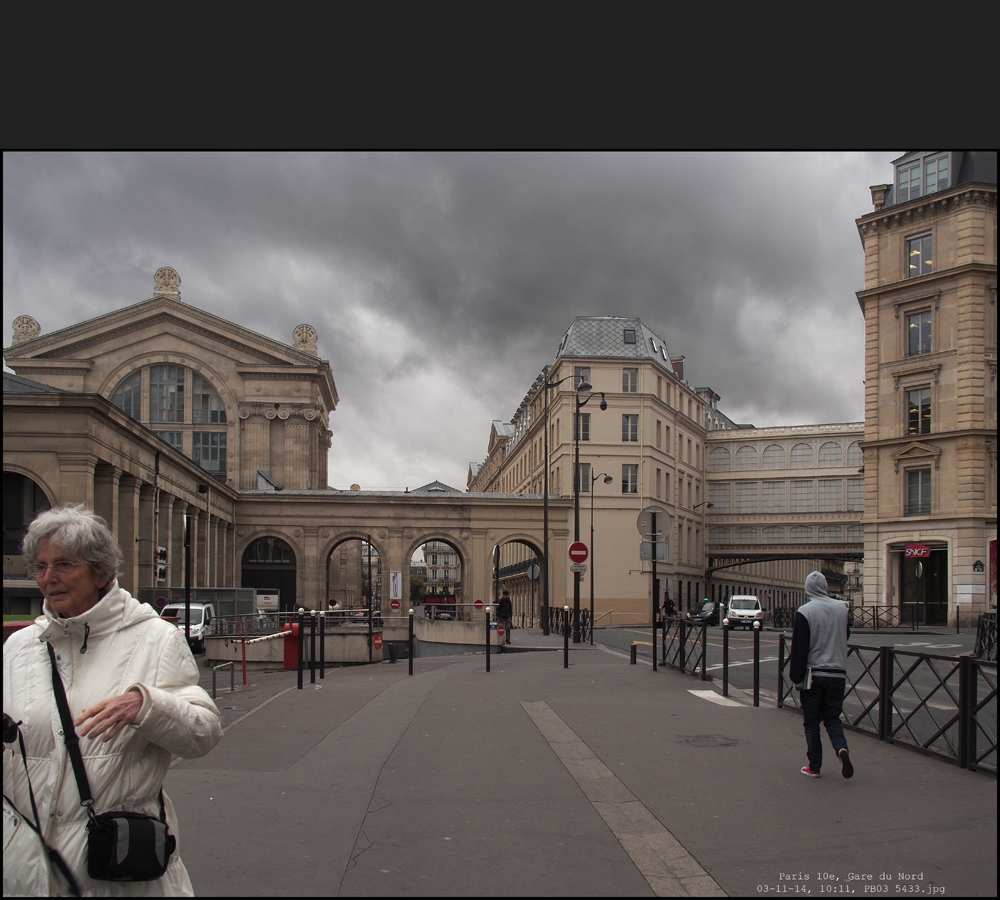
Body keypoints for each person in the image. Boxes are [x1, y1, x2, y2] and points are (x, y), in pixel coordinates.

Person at [3, 506, 223, 896]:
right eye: (39, 567)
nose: (48, 579)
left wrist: (147, 706)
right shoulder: (20, 647)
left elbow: (203, 733)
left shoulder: (155, 639)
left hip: (115, 875)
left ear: (101, 572)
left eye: (64, 565)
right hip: (25, 869)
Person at [789, 571, 854, 779]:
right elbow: (846, 635)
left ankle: (814, 766)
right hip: (838, 672)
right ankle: (841, 749)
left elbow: (800, 648)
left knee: (811, 722)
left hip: (814, 674)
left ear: (808, 588)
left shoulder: (805, 611)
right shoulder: (842, 609)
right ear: (826, 586)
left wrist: (796, 677)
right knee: (833, 718)